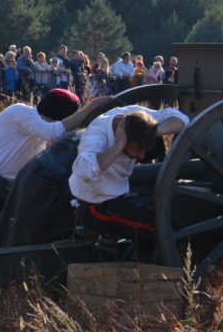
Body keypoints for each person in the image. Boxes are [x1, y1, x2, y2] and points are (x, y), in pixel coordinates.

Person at [0, 89, 111, 250]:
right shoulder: (20, 112)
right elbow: (55, 132)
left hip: (1, 192)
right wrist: (89, 109)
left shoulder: (39, 136)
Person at [69, 106, 188, 251]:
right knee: (174, 228)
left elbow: (181, 119)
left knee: (153, 224)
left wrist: (152, 132)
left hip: (119, 196)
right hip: (98, 207)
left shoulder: (134, 118)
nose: (142, 156)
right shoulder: (97, 135)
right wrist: (119, 145)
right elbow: (84, 170)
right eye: (137, 149)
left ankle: (143, 261)